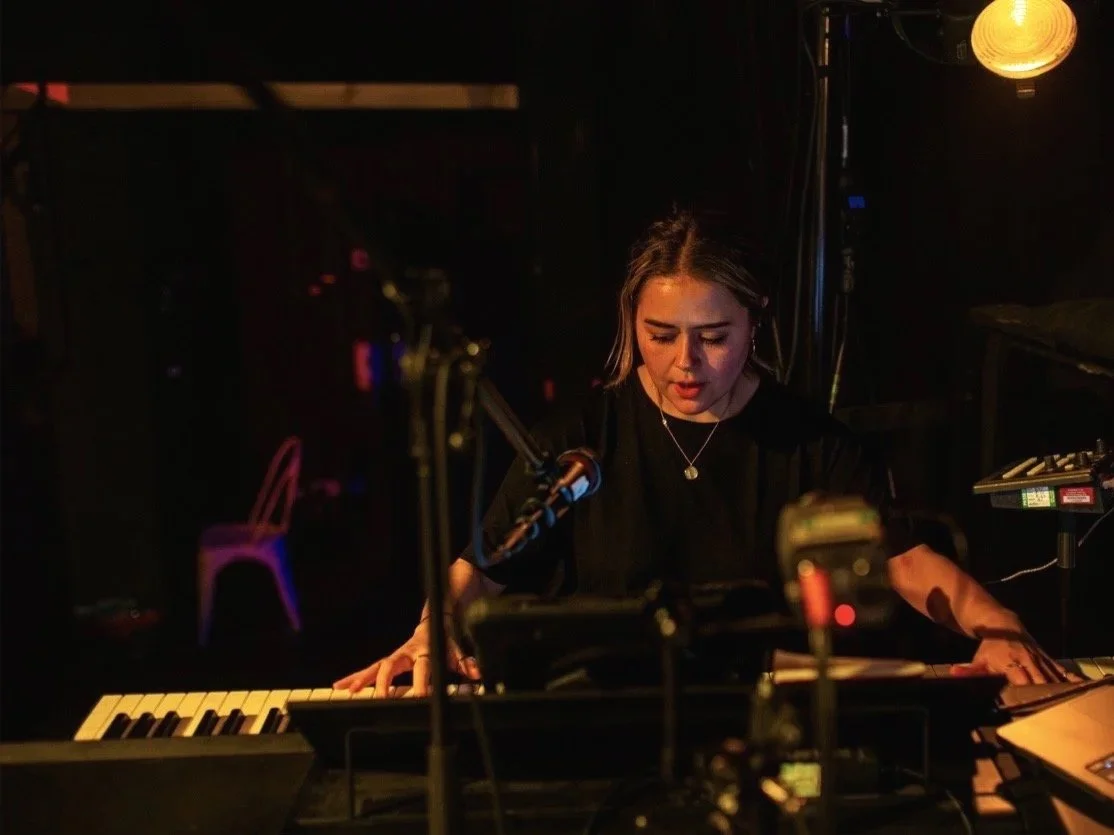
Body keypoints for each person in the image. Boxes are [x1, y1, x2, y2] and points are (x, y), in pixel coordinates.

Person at [335, 207, 1076, 696]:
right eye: (660, 335)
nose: (685, 362)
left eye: (713, 337)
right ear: (632, 321)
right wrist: (429, 633)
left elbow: (903, 559)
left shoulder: (810, 440)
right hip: (611, 721)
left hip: (768, 726)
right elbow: (484, 566)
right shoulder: (578, 442)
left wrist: (997, 625)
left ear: (754, 323)